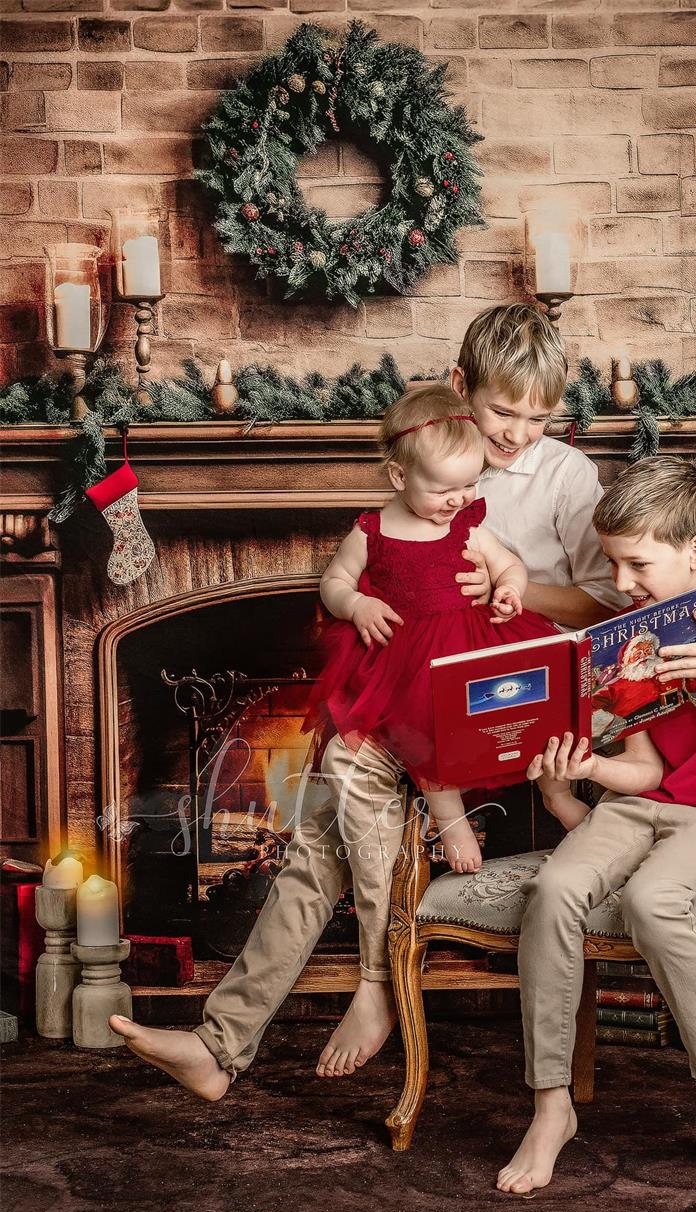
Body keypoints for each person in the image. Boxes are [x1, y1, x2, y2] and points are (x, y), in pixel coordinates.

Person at [109, 302, 623, 1098]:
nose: (518, 432)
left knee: (342, 793)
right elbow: (363, 575)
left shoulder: (566, 475)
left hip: (512, 705)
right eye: (501, 411)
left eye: (537, 416)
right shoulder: (426, 461)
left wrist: (513, 585)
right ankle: (223, 1045)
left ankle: (362, 994)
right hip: (423, 706)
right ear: (460, 388)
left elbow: (603, 606)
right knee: (329, 811)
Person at [496, 455, 696, 1195]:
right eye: (614, 564)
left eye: (637, 565)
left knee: (651, 900)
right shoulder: (633, 628)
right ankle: (550, 1109)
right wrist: (586, 774)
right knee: (556, 888)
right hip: (644, 801)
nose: (624, 584)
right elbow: (640, 766)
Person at [305, 385, 560, 876]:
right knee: (423, 723)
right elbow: (332, 581)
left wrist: (509, 588)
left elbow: (511, 565)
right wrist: (355, 603)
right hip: (408, 659)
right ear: (400, 476)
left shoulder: (467, 525)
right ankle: (451, 819)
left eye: (467, 485)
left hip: (475, 642)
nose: (457, 500)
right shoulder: (372, 531)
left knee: (534, 702)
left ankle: (556, 790)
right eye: (443, 490)